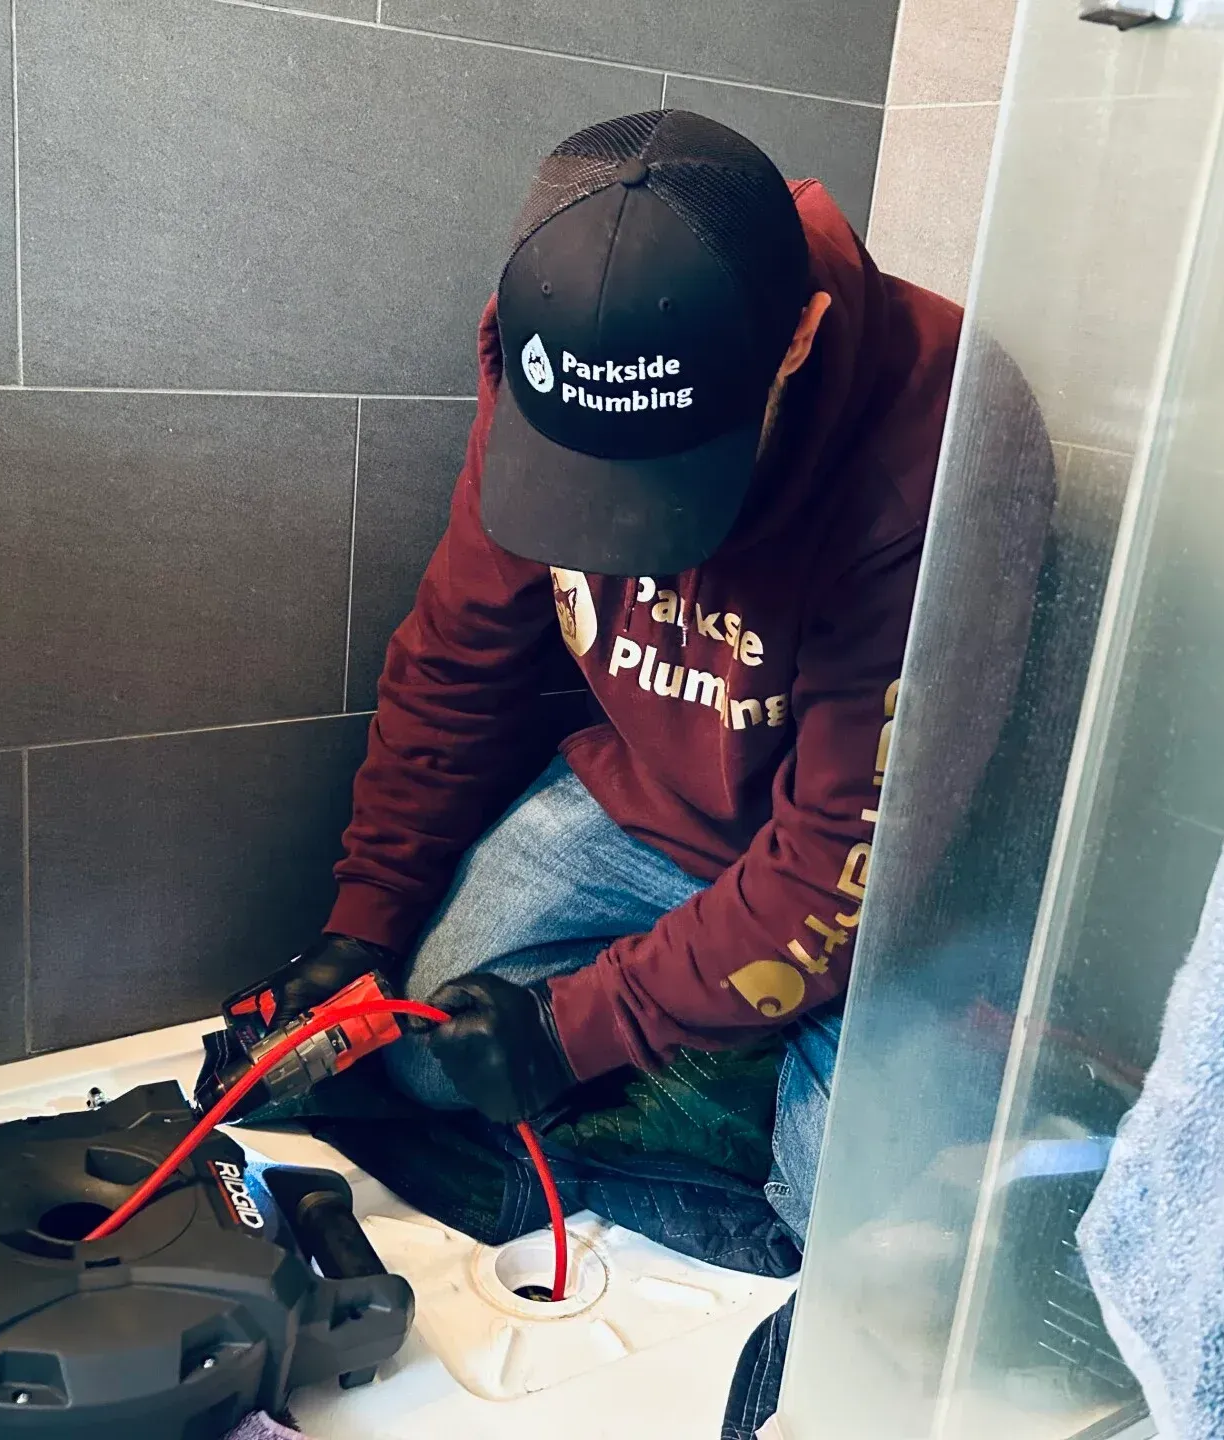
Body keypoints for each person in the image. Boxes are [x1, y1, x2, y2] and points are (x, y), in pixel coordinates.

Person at [271, 109, 964, 1245]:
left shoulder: (937, 441)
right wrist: (363, 926)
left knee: (857, 1222)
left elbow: (845, 856)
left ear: (797, 339)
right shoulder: (557, 344)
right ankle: (725, 1032)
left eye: (666, 482)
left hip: (878, 890)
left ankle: (750, 1063)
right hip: (655, 815)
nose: (622, 538)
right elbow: (457, 661)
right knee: (430, 1054)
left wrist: (571, 1032)